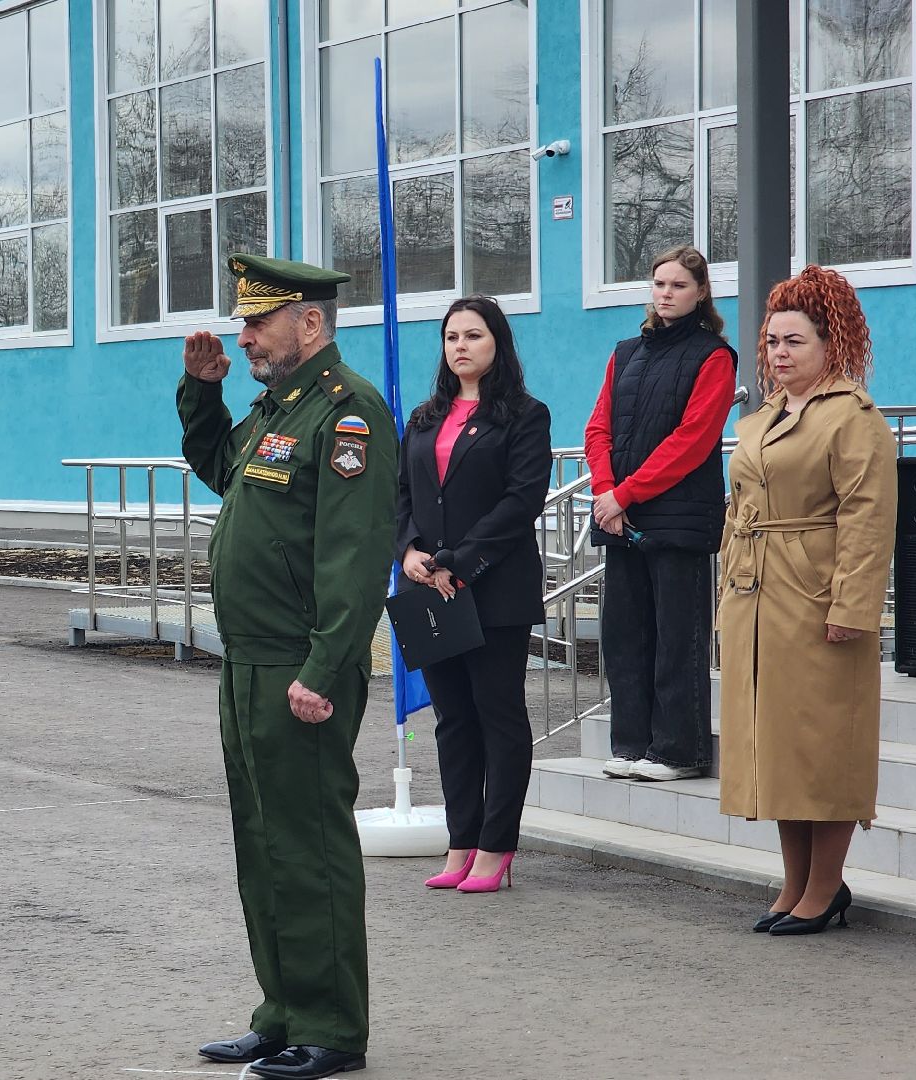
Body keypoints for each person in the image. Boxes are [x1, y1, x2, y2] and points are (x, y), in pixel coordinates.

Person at [176, 253, 396, 1080]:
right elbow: (222, 472)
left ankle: (333, 1027)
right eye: (243, 322)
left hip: (303, 665)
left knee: (309, 845)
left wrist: (324, 667)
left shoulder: (347, 416)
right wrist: (204, 392)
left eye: (258, 322)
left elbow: (353, 555)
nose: (245, 336)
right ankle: (283, 1012)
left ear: (309, 322)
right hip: (251, 663)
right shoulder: (280, 409)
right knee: (262, 842)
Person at [718, 265, 896, 936]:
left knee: (824, 747)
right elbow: (740, 509)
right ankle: (794, 884)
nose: (779, 353)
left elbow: (869, 517)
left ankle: (825, 888)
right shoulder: (763, 418)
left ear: (831, 344)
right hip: (756, 596)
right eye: (770, 342)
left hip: (816, 596)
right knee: (780, 747)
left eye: (794, 341)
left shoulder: (854, 418)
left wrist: (852, 607)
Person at [393, 297, 552, 894]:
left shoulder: (524, 416)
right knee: (452, 720)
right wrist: (408, 550)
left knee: (497, 716)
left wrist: (460, 562)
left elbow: (521, 501)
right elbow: (401, 493)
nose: (460, 346)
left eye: (474, 336)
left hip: (492, 588)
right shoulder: (424, 416)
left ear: (498, 344)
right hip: (428, 589)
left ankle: (496, 847)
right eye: (451, 336)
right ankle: (460, 841)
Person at [584, 245, 737, 782]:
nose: (666, 293)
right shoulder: (625, 352)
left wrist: (623, 495)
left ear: (699, 294)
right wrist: (607, 494)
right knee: (625, 638)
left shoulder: (714, 356)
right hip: (620, 517)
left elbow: (693, 441)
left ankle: (679, 750)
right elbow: (598, 428)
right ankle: (630, 745)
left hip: (677, 521)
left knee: (678, 638)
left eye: (677, 285)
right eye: (659, 284)